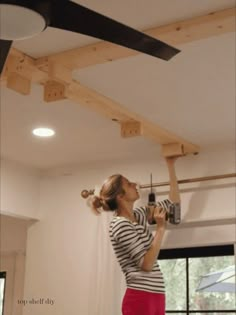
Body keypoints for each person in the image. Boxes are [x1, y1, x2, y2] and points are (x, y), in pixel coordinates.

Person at [91, 157, 181, 315]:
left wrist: (170, 165)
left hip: (156, 295)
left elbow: (173, 204)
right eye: (129, 184)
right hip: (141, 297)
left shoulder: (137, 216)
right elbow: (146, 264)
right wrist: (160, 229)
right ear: (120, 196)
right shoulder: (119, 225)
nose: (134, 185)